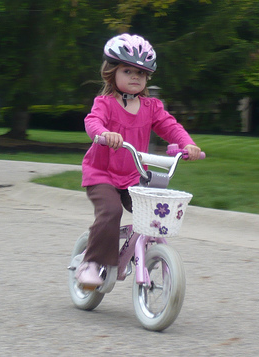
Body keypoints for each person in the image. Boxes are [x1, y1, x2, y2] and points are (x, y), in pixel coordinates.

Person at [76, 34, 201, 288]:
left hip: (133, 176)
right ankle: (90, 262)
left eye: (141, 73)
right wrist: (102, 134)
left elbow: (169, 126)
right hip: (102, 174)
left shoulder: (151, 106)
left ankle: (144, 251)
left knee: (153, 211)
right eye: (127, 70)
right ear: (111, 72)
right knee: (111, 211)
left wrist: (188, 144)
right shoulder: (106, 103)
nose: (135, 77)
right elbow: (92, 121)